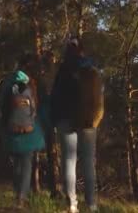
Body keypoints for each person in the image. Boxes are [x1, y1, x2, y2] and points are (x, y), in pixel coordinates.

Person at [51, 38, 102, 213]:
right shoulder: (91, 69)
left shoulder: (63, 69)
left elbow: (55, 97)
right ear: (82, 49)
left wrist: (54, 119)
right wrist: (96, 119)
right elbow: (98, 98)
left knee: (69, 161)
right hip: (88, 121)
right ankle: (92, 204)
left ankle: (72, 204)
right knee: (88, 163)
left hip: (65, 120)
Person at [0, 53, 46, 209]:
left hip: (12, 127)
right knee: (26, 163)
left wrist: (6, 124)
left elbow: (2, 104)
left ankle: (18, 195)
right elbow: (37, 107)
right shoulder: (32, 83)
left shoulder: (9, 81)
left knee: (17, 164)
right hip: (29, 128)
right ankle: (21, 198)